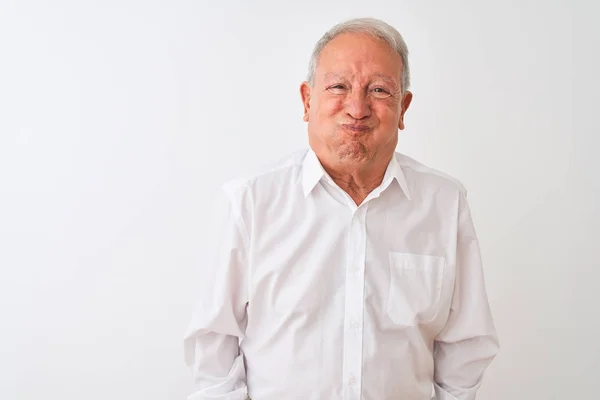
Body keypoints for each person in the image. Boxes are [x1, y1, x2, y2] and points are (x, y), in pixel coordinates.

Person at [183, 17, 499, 400]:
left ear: (403, 107)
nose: (357, 107)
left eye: (380, 90)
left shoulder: (445, 204)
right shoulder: (250, 202)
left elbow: (465, 350)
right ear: (307, 99)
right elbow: (213, 351)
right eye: (338, 86)